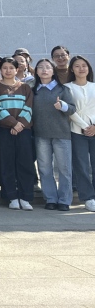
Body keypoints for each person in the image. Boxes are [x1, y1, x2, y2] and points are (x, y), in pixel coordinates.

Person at [32, 58, 78, 211]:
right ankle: (50, 198)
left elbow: (72, 109)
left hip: (61, 134)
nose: (44, 70)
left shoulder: (63, 89)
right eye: (41, 67)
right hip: (41, 134)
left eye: (48, 67)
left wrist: (62, 106)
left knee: (64, 169)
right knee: (44, 168)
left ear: (53, 71)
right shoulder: (33, 90)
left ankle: (64, 200)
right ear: (36, 71)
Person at [0, 57, 35, 210]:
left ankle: (26, 197)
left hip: (24, 129)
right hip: (4, 130)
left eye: (11, 68)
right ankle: (11, 197)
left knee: (25, 163)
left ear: (17, 70)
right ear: (0, 70)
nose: (8, 71)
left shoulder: (25, 87)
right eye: (5, 68)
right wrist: (12, 123)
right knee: (6, 163)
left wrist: (19, 124)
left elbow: (29, 107)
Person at [64, 55, 95, 212]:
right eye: (77, 66)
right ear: (72, 69)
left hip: (94, 128)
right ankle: (88, 197)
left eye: (84, 65)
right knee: (81, 165)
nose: (81, 68)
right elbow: (69, 110)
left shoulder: (94, 86)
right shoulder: (67, 87)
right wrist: (84, 126)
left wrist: (94, 126)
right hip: (76, 130)